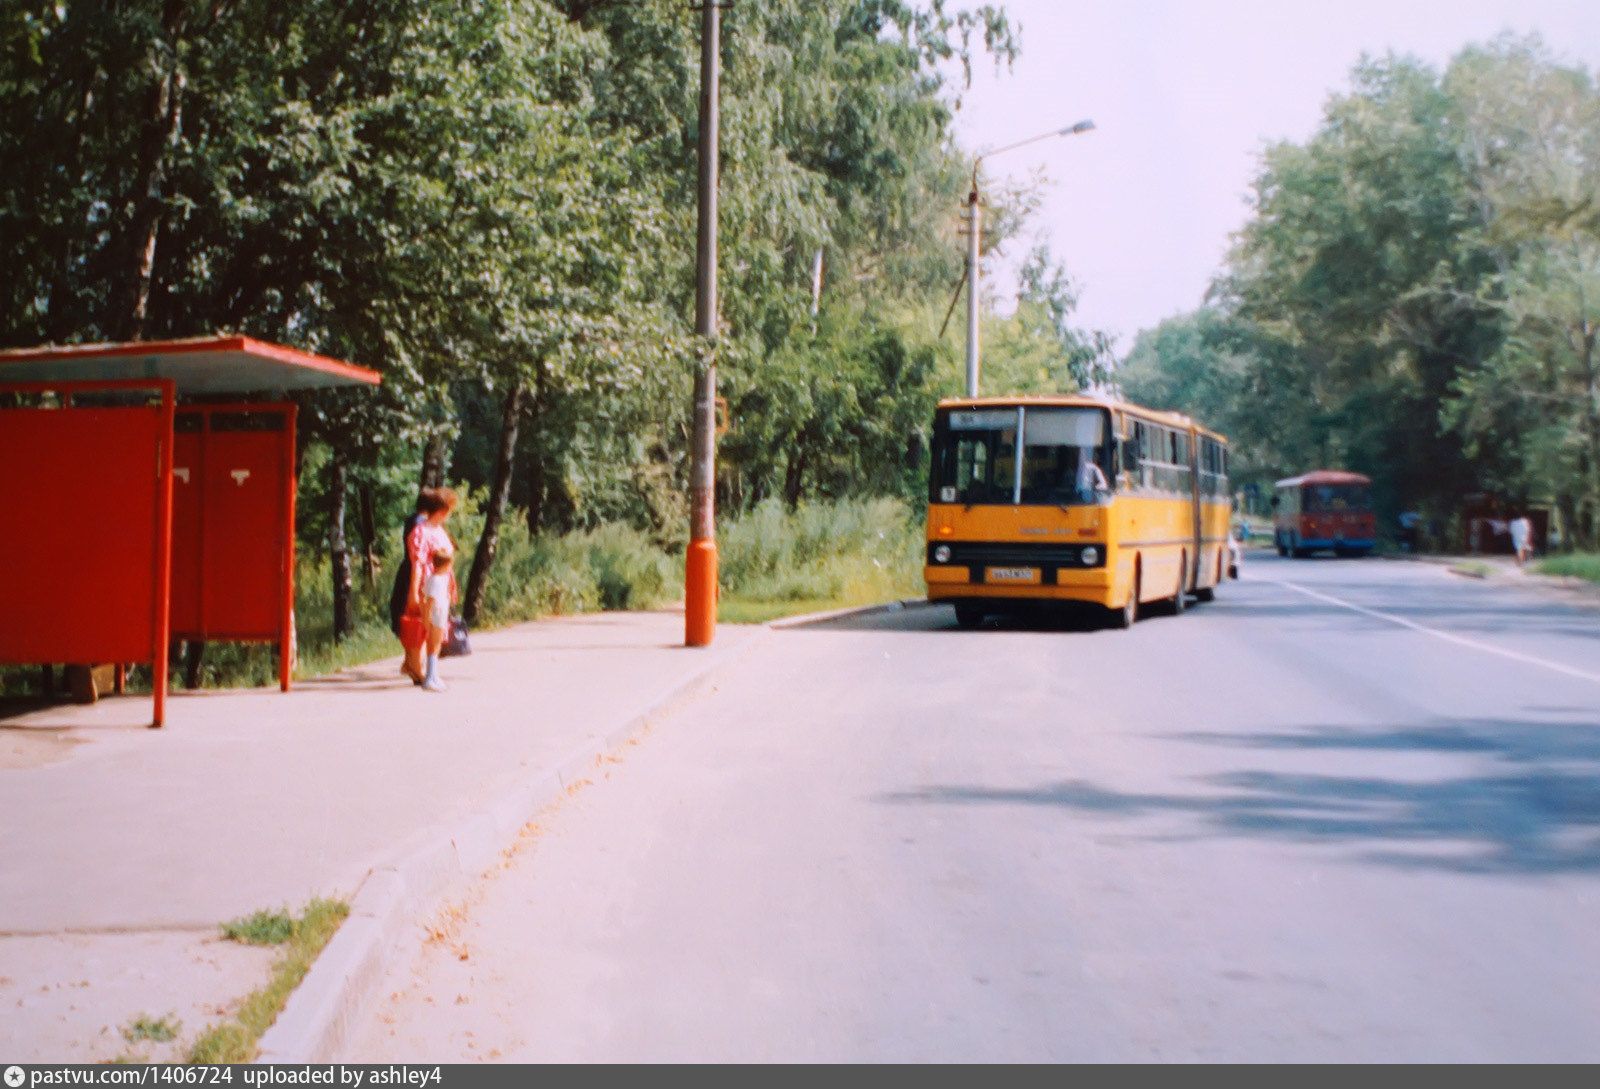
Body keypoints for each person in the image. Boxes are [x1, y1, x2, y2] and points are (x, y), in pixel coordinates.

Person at [401, 487, 458, 688]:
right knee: (425, 627)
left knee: (434, 628)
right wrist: (413, 594)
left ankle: (421, 669)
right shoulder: (421, 532)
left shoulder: (439, 530)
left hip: (440, 585)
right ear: (441, 510)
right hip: (427, 586)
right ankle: (420, 669)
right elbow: (417, 564)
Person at [421, 548, 455, 691]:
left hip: (440, 614)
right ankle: (430, 677)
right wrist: (427, 618)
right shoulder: (436, 580)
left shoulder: (437, 578)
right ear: (445, 565)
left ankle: (433, 675)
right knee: (434, 645)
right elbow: (429, 601)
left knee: (436, 644)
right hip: (436, 615)